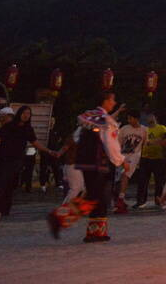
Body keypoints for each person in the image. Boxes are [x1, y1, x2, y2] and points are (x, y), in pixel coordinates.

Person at [47, 91, 125, 243]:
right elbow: (110, 143)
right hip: (98, 162)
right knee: (95, 196)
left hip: (87, 161)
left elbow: (76, 136)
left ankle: (95, 232)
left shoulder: (89, 116)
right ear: (106, 100)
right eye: (112, 100)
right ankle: (59, 218)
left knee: (98, 196)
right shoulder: (103, 119)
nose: (114, 103)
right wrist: (121, 161)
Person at [0, 105, 51, 220]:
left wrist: (48, 151)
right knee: (6, 184)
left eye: (28, 114)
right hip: (3, 158)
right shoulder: (8, 126)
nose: (26, 115)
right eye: (24, 113)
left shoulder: (28, 129)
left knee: (4, 181)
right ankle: (0, 210)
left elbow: (35, 143)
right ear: (19, 113)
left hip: (17, 160)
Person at [115, 110, 147, 214]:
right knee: (118, 178)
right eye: (128, 118)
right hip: (122, 155)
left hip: (134, 156)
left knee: (126, 174)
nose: (129, 120)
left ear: (137, 119)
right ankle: (119, 199)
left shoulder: (144, 130)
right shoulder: (124, 129)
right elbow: (118, 143)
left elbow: (145, 144)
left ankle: (121, 198)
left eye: (131, 118)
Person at [135, 112, 166, 208]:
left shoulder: (162, 128)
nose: (150, 119)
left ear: (155, 118)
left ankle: (159, 200)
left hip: (158, 158)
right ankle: (141, 201)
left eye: (151, 117)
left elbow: (165, 139)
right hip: (145, 157)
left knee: (159, 181)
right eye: (148, 117)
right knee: (142, 181)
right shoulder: (144, 129)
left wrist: (153, 142)